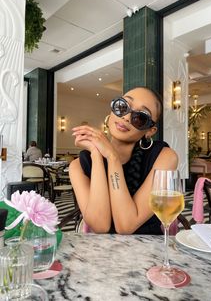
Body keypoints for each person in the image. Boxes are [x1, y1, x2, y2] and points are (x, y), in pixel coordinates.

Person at [69, 87, 178, 235]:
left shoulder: (165, 157)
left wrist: (112, 158)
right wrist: (96, 154)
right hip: (100, 253)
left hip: (149, 252)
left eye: (141, 117)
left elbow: (125, 225)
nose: (126, 117)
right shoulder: (78, 166)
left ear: (149, 131)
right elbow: (100, 226)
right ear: (111, 111)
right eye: (122, 106)